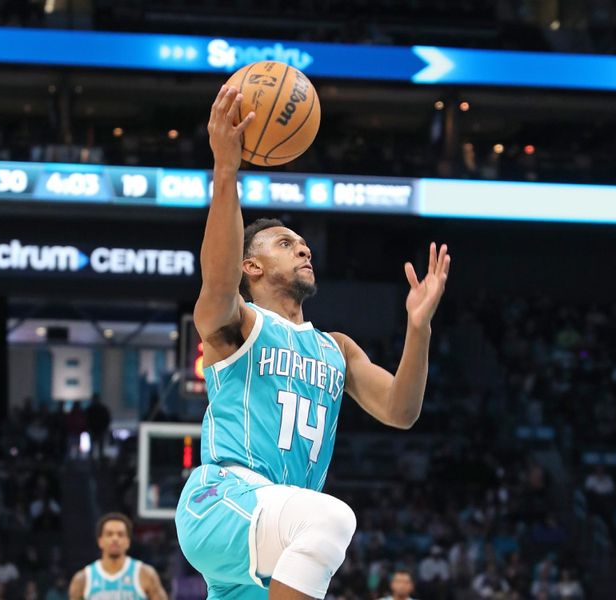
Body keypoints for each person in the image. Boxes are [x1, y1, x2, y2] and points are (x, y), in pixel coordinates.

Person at [174, 86, 450, 599]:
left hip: (276, 525)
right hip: (224, 498)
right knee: (332, 519)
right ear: (251, 267)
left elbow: (401, 410)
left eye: (302, 244)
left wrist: (419, 329)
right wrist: (226, 171)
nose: (302, 248)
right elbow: (217, 279)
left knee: (319, 524)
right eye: (284, 244)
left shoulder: (336, 348)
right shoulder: (239, 323)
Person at [69, 512, 167, 600]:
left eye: (120, 534)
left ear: (128, 541)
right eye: (109, 534)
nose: (115, 538)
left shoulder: (146, 574)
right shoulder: (83, 579)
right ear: (100, 541)